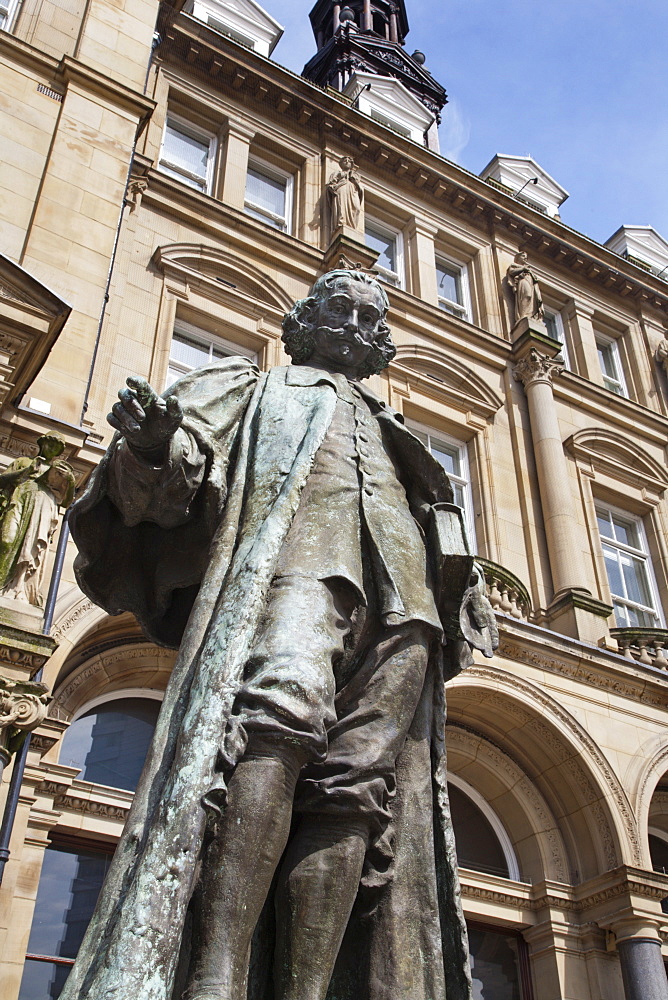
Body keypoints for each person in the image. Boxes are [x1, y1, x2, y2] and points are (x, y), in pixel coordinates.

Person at [64, 268, 497, 1000]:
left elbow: (436, 527)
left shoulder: (399, 433)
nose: (357, 323)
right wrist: (150, 447)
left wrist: (467, 589)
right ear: (303, 320)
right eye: (340, 307)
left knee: (358, 788)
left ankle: (308, 988)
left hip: (407, 610)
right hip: (300, 568)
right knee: (272, 729)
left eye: (371, 316)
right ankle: (217, 974)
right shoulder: (260, 387)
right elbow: (179, 480)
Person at [0, 432, 75, 606]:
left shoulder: (58, 470)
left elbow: (66, 502)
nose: (52, 449)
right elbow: (2, 480)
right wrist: (26, 471)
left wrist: (70, 482)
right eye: (50, 444)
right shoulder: (24, 462)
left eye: (56, 447)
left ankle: (19, 587)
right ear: (42, 443)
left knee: (31, 548)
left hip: (43, 506)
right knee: (6, 539)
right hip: (19, 500)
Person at [506, 251, 544, 324]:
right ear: (518, 258)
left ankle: (530, 315)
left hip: (530, 282)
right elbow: (511, 271)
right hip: (523, 280)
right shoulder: (515, 265)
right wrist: (523, 269)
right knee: (527, 295)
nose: (525, 258)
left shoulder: (528, 268)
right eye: (523, 256)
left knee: (532, 299)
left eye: (526, 257)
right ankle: (523, 315)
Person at [327, 156, 364, 231]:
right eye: (345, 161)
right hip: (342, 188)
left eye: (349, 161)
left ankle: (352, 226)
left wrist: (354, 181)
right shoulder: (337, 173)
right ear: (341, 164)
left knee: (357, 208)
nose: (347, 162)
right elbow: (331, 184)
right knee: (342, 208)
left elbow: (360, 188)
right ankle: (342, 223)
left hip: (353, 191)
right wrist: (333, 187)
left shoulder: (355, 175)